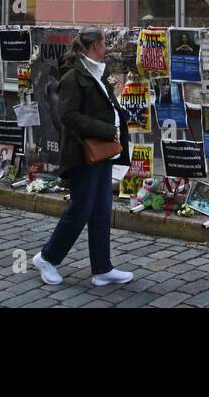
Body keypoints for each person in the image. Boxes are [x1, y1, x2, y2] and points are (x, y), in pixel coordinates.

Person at [33, 26, 135, 288]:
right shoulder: (73, 77)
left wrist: (120, 119)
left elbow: (103, 105)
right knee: (80, 210)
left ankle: (102, 268)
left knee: (101, 211)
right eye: (103, 44)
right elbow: (69, 116)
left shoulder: (98, 71)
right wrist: (107, 129)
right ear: (93, 47)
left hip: (102, 151)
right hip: (82, 153)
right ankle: (47, 257)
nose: (107, 48)